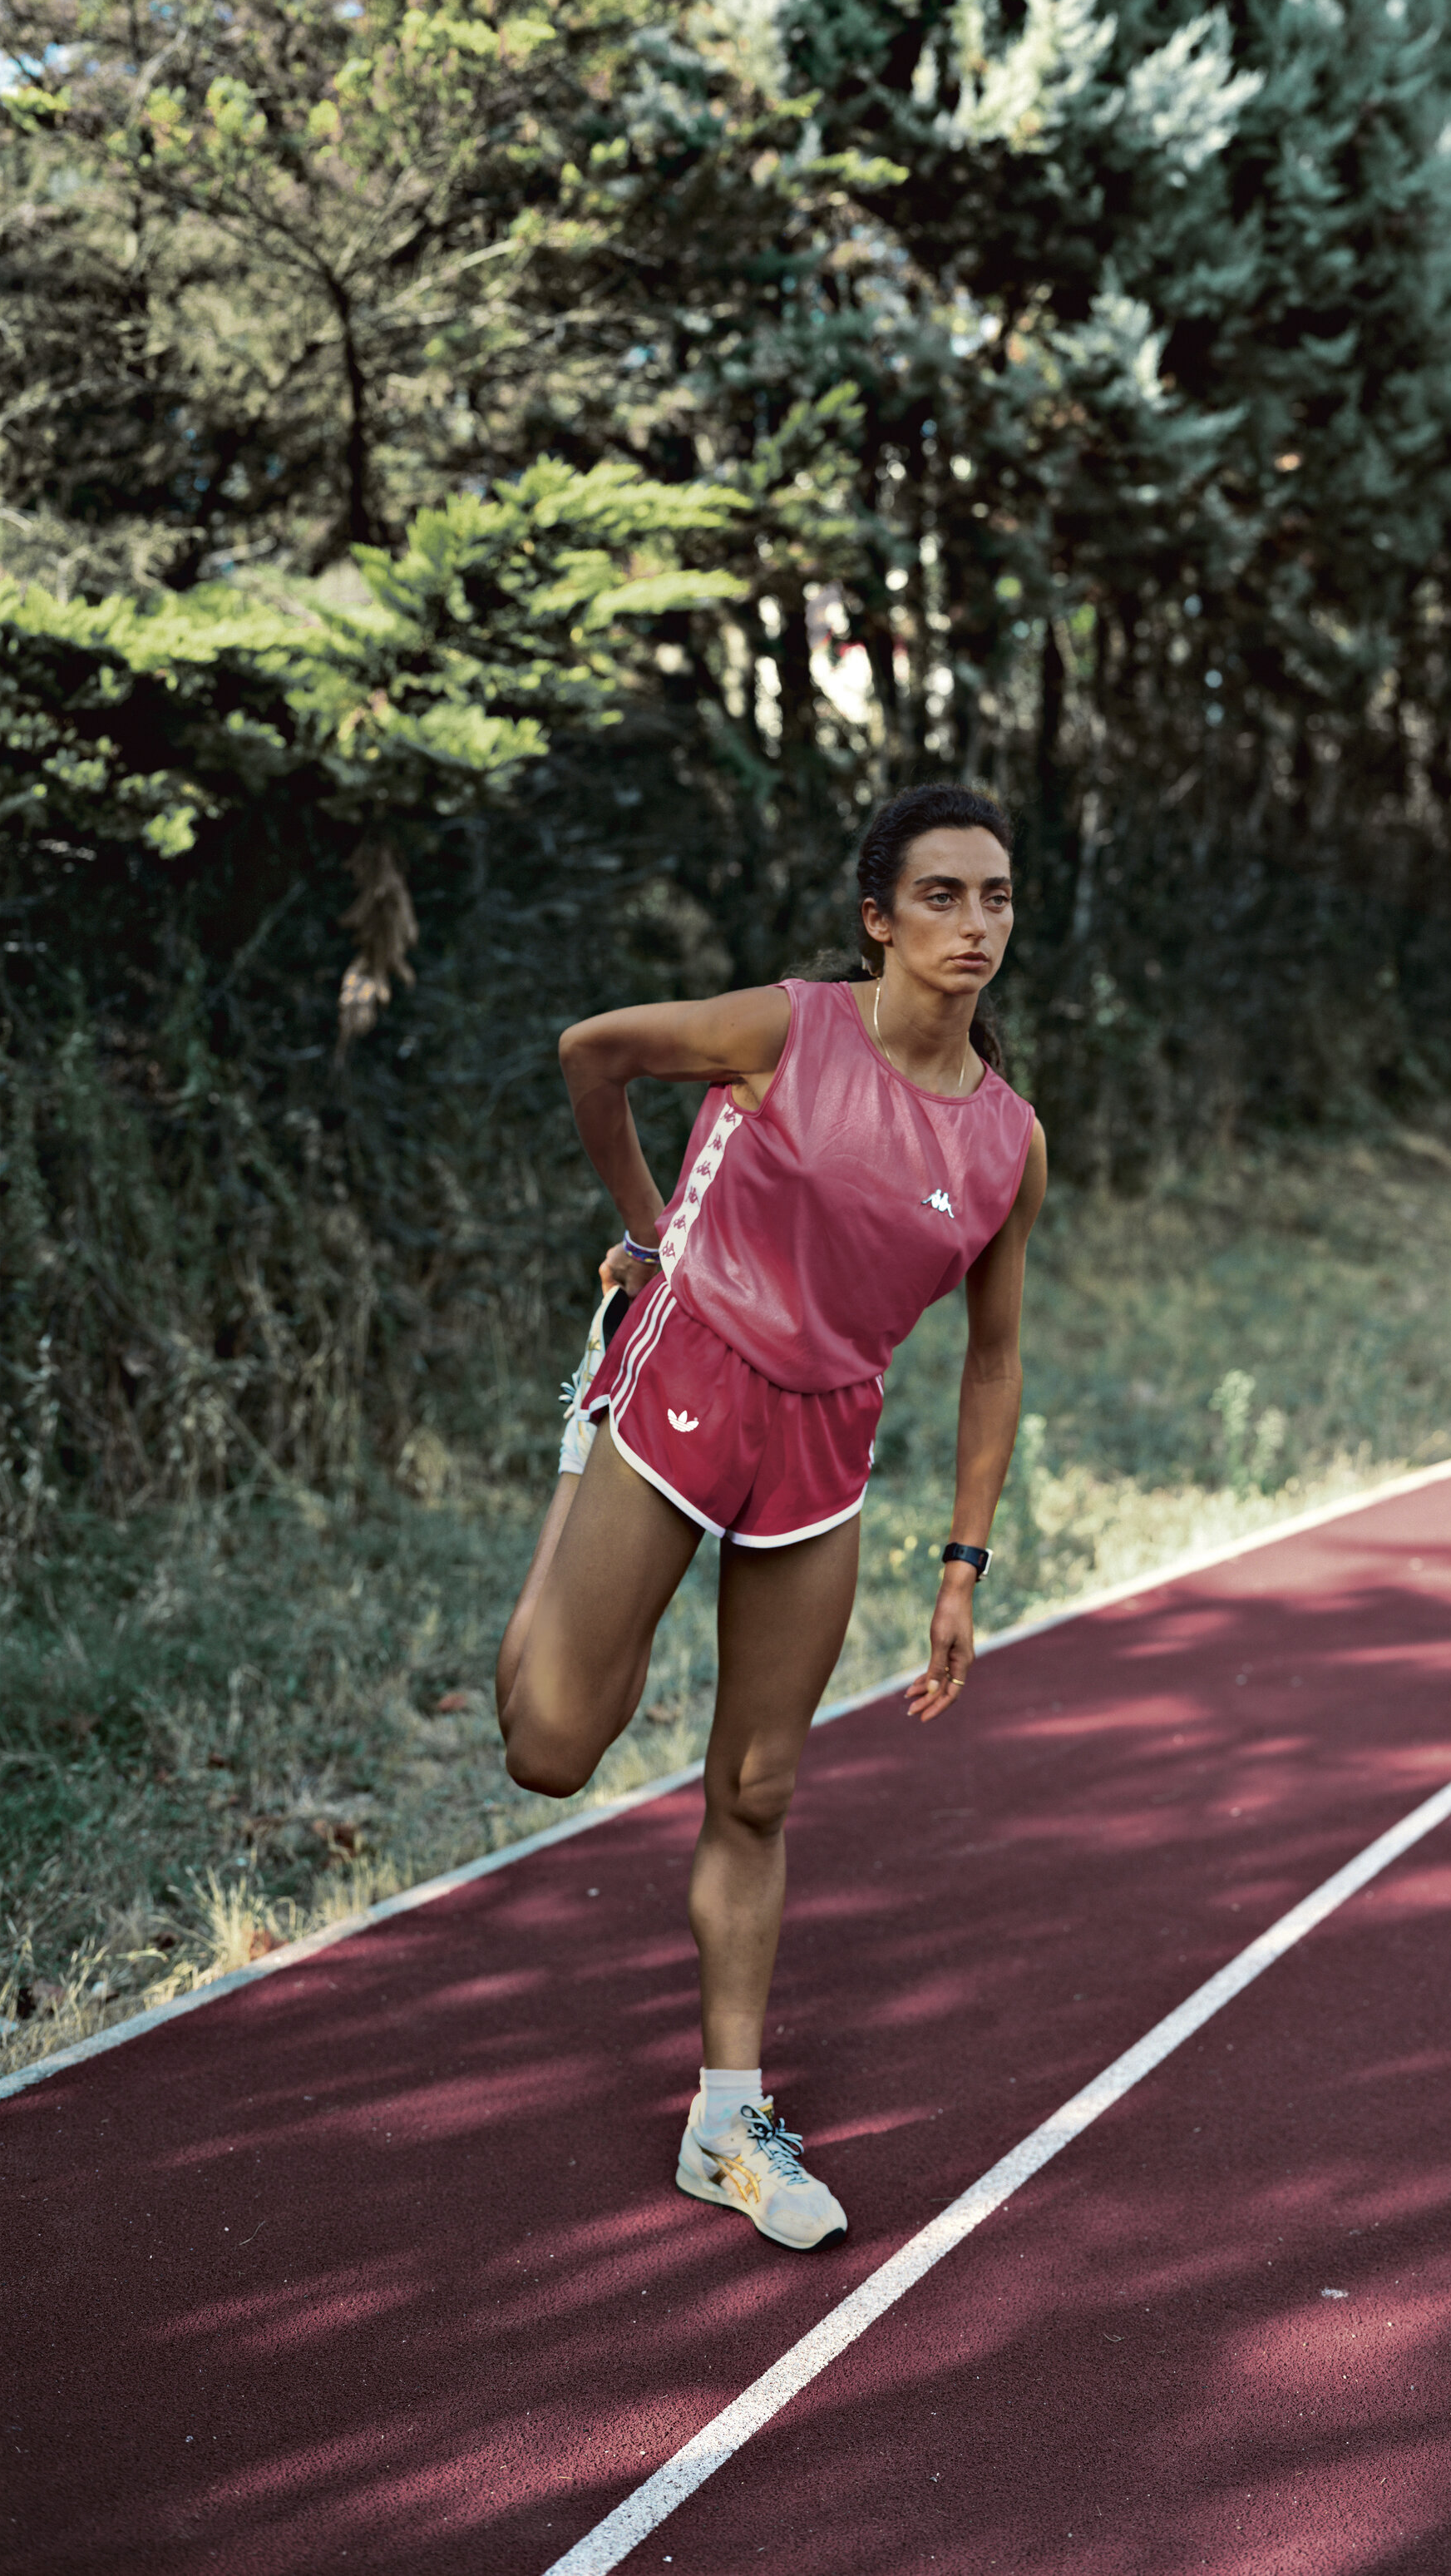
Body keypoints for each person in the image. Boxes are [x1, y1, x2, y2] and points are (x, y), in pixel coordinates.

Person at [494, 784, 1045, 2252]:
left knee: (757, 1789)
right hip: (687, 1367)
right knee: (549, 1750)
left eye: (995, 897)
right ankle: (581, 1436)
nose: (973, 924)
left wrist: (962, 1566)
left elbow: (993, 1361)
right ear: (879, 917)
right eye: (941, 895)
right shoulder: (786, 1030)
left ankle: (725, 2116)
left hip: (827, 1444)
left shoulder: (1008, 1144)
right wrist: (645, 1236)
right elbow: (590, 1054)